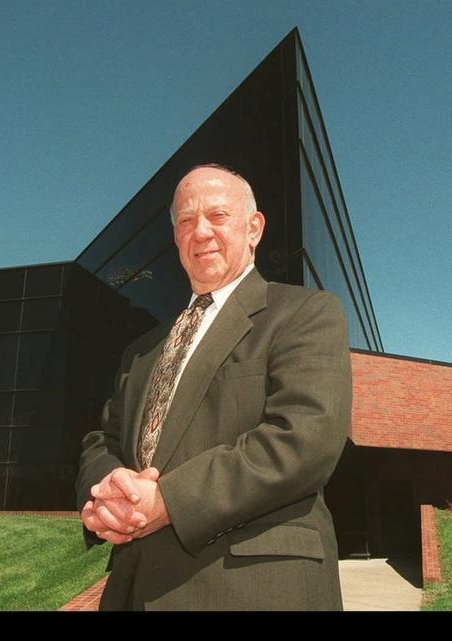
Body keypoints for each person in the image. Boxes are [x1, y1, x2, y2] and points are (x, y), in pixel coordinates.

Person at [76, 164, 352, 610]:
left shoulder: (305, 313)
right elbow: (102, 440)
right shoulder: (142, 349)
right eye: (186, 221)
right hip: (135, 589)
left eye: (218, 216)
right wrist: (106, 493)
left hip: (253, 589)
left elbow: (305, 439)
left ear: (254, 228)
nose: (200, 232)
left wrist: (167, 501)